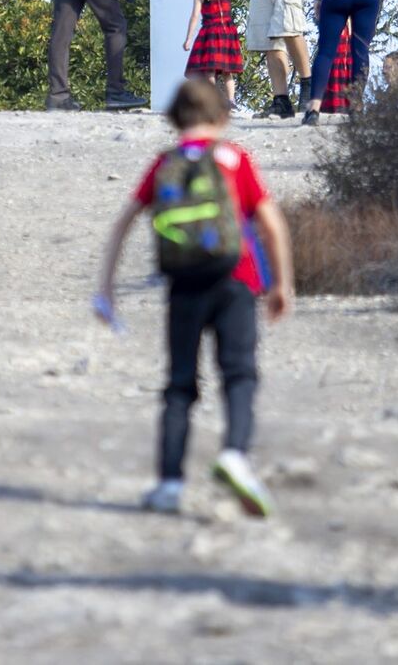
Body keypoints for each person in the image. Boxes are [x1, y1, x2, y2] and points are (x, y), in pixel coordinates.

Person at [94, 79, 295, 518]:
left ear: (173, 119)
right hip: (236, 279)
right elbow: (271, 223)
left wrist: (106, 289)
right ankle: (235, 455)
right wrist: (281, 284)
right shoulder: (234, 158)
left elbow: (124, 223)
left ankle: (169, 484)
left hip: (183, 283)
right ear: (222, 118)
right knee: (239, 373)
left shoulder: (163, 163)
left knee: (180, 384)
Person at [182, 0, 244, 100]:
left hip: (210, 35)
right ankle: (231, 101)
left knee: (209, 72)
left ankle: (213, 100)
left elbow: (194, 17)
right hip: (227, 33)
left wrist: (188, 39)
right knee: (227, 72)